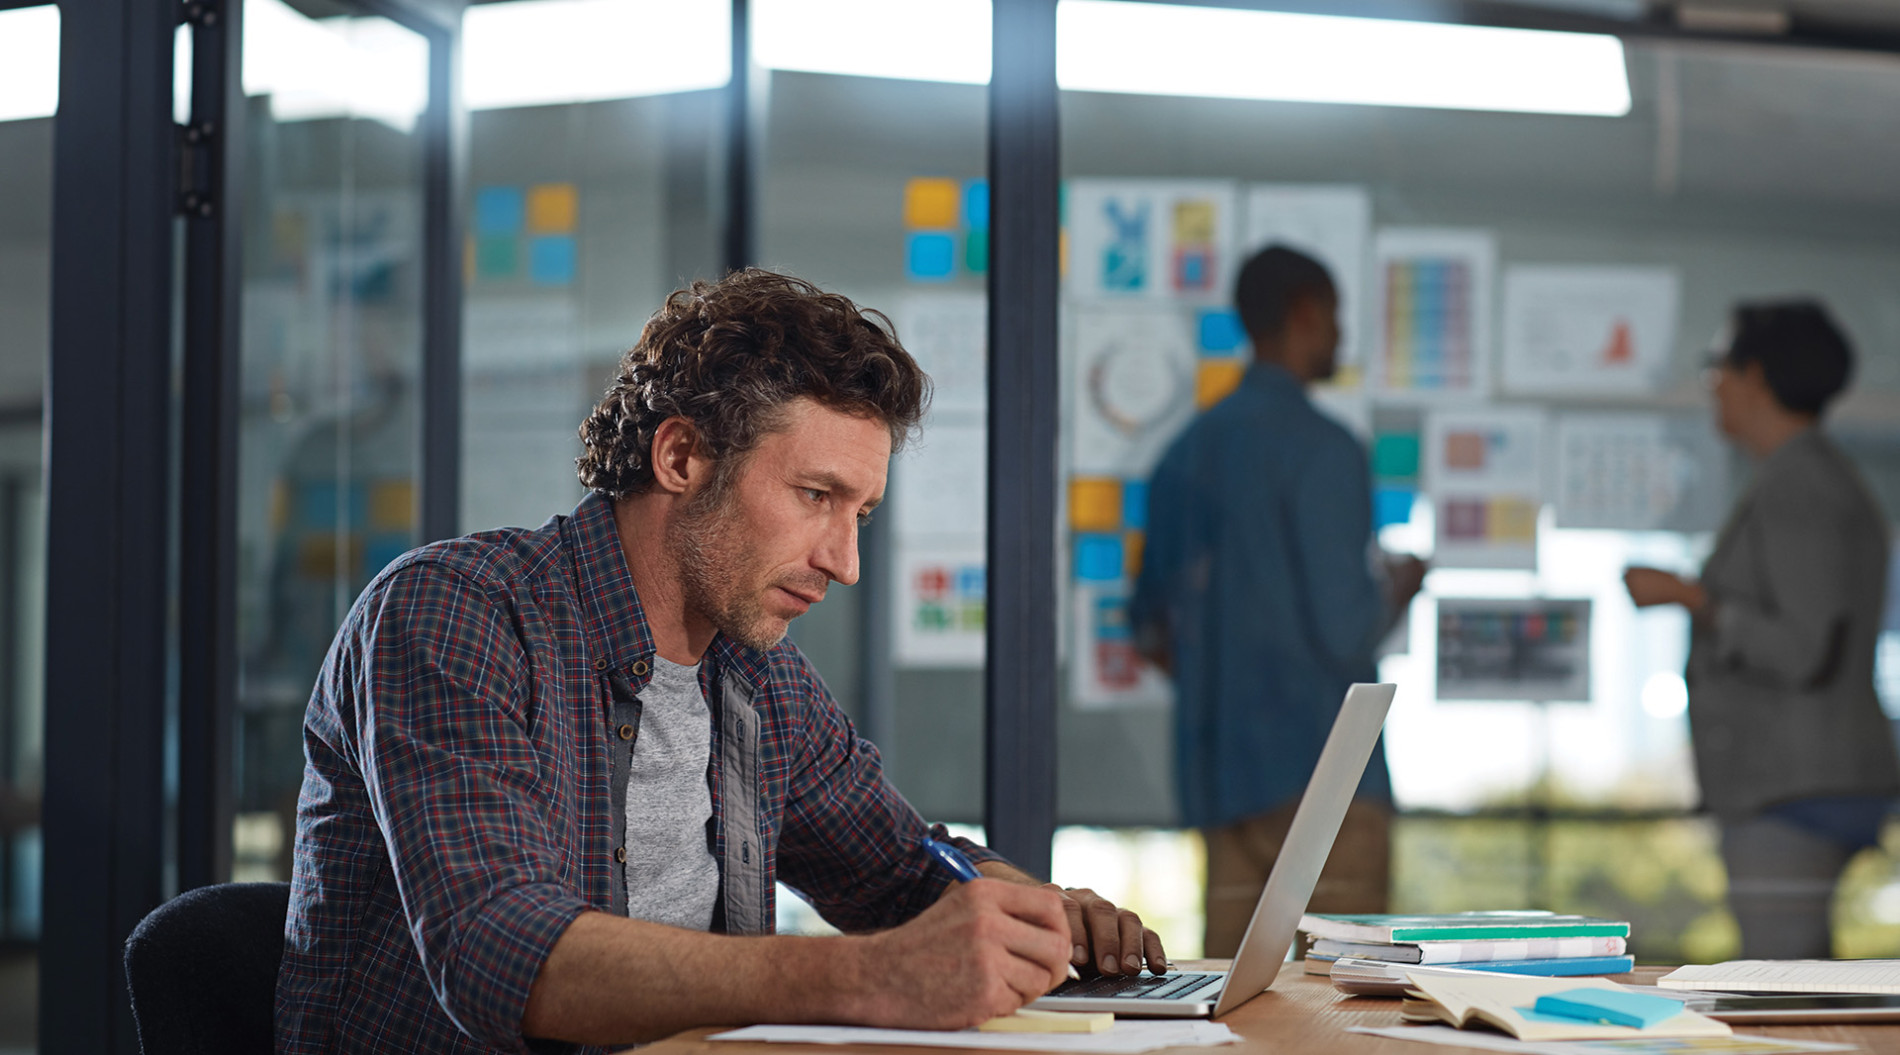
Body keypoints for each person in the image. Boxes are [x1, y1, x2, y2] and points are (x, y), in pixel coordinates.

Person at [277, 269, 1167, 1055]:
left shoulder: (753, 675)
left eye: (859, 514)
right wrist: (864, 977)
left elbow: (898, 870)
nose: (844, 561)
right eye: (816, 496)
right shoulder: (456, 612)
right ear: (681, 456)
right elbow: (499, 952)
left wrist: (1028, 911)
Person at [1131, 245, 1425, 958]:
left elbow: (1149, 629)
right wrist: (1400, 586)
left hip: (1221, 778)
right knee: (1342, 1004)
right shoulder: (1327, 450)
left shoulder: (1184, 452)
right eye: (1335, 317)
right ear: (1305, 313)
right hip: (1326, 779)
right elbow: (1346, 625)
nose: (1340, 336)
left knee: (1242, 1005)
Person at [1624, 300, 1898, 960]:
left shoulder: (1798, 481)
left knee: (1784, 987)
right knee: (1800, 981)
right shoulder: (1814, 475)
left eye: (1719, 365)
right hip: (1808, 781)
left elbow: (1803, 647)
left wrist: (1693, 597)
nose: (1712, 382)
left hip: (1794, 791)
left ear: (1758, 376)